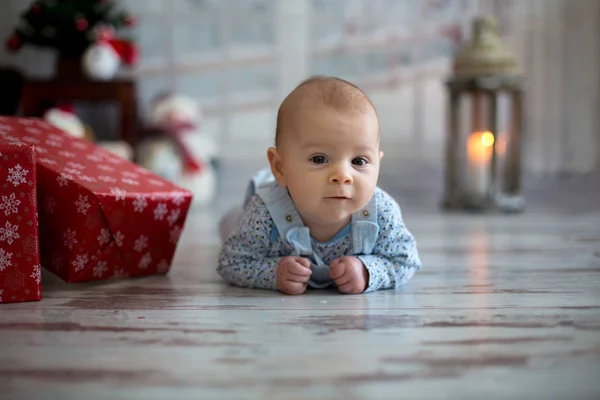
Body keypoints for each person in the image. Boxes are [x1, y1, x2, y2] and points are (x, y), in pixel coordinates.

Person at [217, 76, 422, 295]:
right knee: (232, 222)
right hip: (250, 214)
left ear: (378, 164)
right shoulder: (263, 212)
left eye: (359, 161)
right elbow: (232, 263)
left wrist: (367, 271)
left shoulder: (381, 211)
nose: (343, 176)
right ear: (280, 167)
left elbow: (405, 261)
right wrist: (274, 273)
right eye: (319, 159)